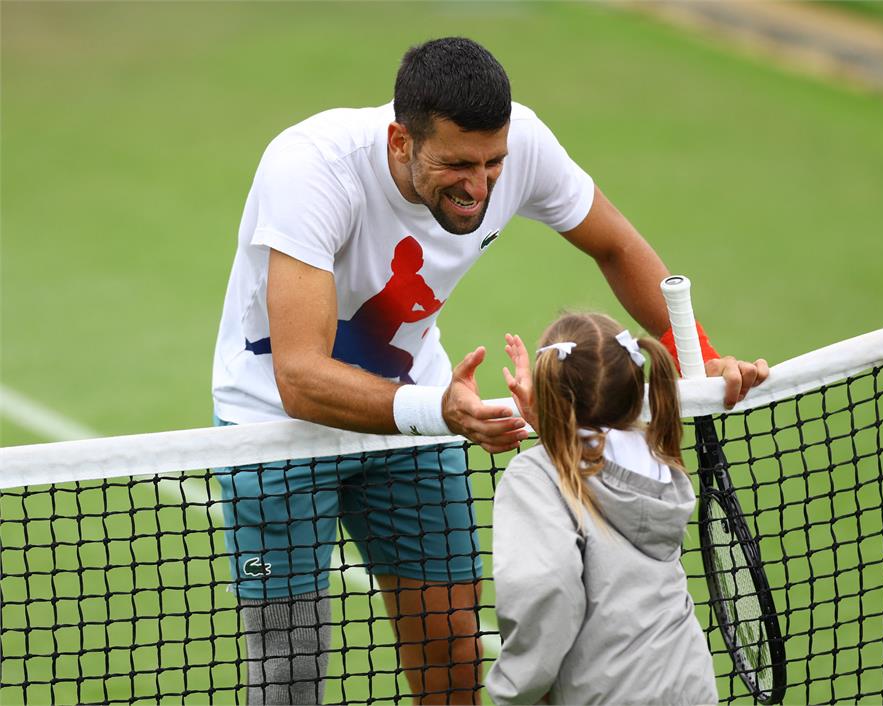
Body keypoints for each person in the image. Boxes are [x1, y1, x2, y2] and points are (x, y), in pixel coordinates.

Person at [211, 36, 767, 705]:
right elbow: (298, 378)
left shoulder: (523, 145)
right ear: (399, 141)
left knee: (452, 648)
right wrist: (438, 411)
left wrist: (697, 359)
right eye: (457, 165)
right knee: (288, 674)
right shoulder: (309, 171)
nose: (478, 187)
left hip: (416, 418)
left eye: (492, 164)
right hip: (275, 430)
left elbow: (617, 243)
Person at [485, 313, 718, 705]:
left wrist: (514, 691)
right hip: (689, 686)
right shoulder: (660, 458)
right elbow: (592, 459)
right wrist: (547, 420)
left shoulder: (536, 476)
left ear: (545, 393)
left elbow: (544, 585)